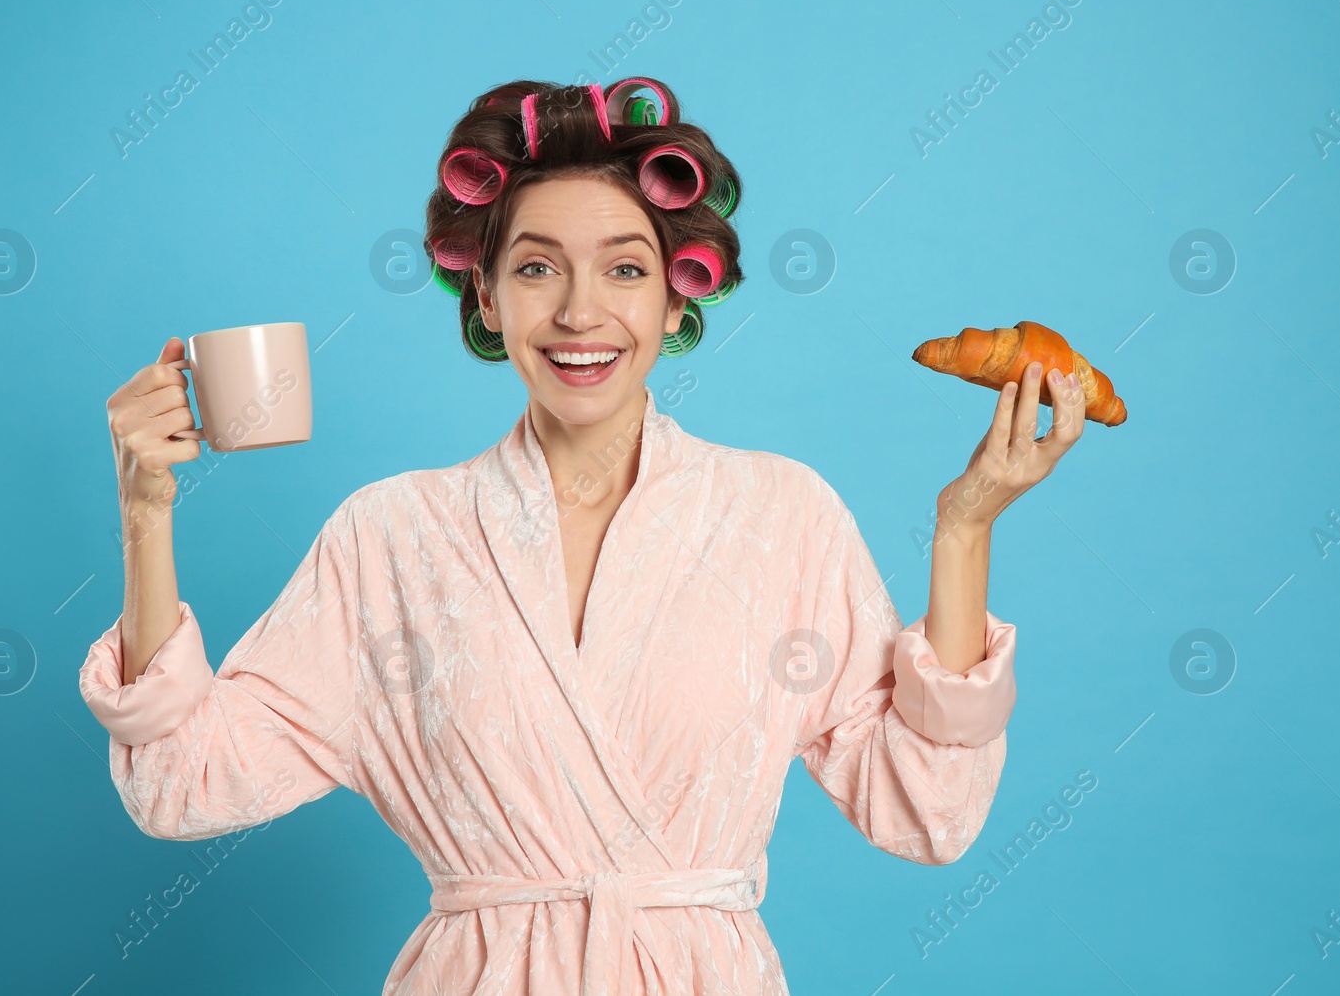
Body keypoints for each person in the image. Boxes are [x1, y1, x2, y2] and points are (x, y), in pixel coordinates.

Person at [80, 77, 1086, 994]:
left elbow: (924, 809)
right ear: (485, 294)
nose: (578, 311)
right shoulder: (390, 535)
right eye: (534, 268)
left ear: (671, 291)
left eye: (623, 268)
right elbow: (182, 781)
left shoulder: (781, 515)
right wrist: (145, 515)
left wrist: (961, 531)